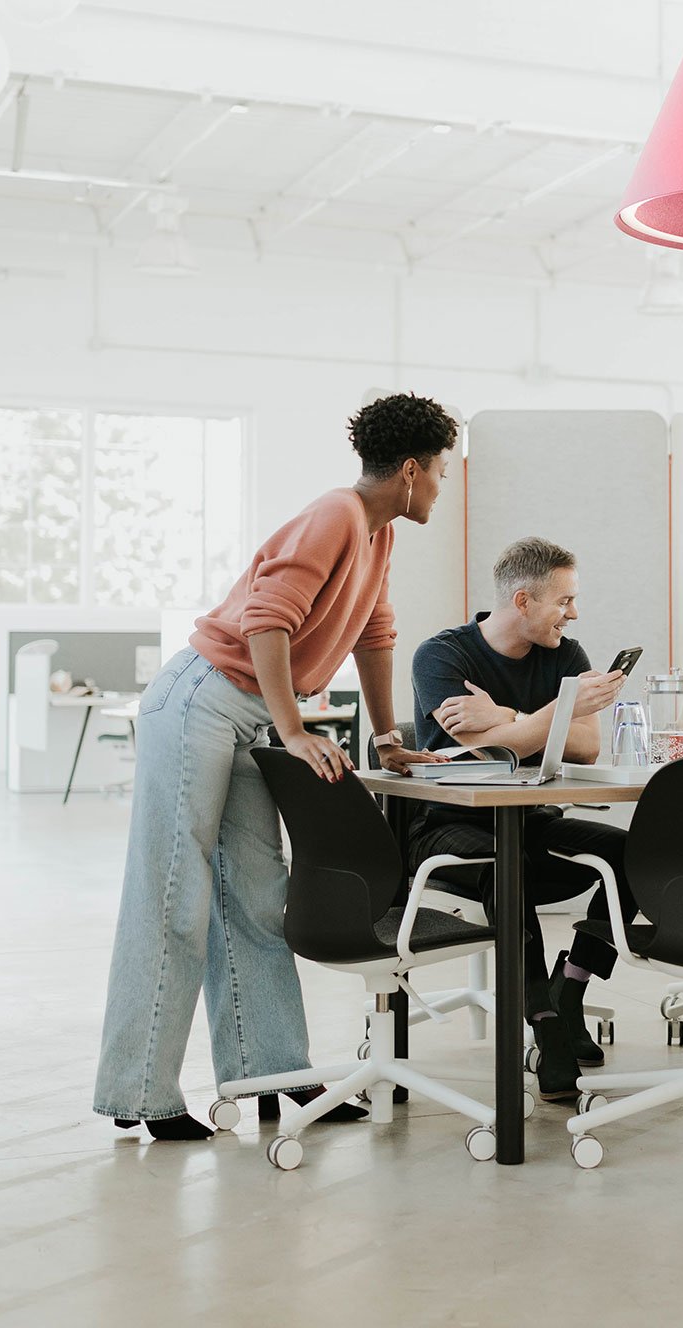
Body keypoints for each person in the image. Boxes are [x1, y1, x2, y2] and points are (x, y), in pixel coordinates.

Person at [92, 392, 457, 1141]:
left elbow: (375, 634)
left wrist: (387, 735)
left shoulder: (378, 537)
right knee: (175, 893)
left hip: (249, 712)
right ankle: (140, 1091)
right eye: (444, 473)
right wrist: (294, 730)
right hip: (202, 700)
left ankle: (275, 1074)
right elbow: (266, 619)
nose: (445, 488)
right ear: (413, 471)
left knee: (259, 898)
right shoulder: (336, 515)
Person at [408, 537, 634, 1100]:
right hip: (449, 828)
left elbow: (584, 747)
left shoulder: (566, 657)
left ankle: (572, 988)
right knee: (507, 867)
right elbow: (478, 750)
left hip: (533, 821)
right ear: (525, 600)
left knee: (634, 852)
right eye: (565, 601)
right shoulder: (441, 656)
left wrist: (506, 716)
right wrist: (554, 712)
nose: (574, 614)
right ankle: (545, 1023)